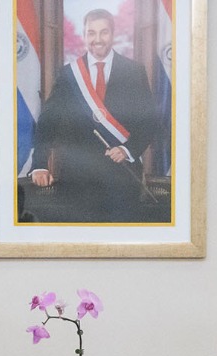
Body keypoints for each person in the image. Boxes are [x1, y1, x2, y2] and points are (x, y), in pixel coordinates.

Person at [29, 8, 158, 222]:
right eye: (91, 33)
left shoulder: (134, 71)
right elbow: (48, 122)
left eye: (103, 32)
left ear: (113, 34)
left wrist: (128, 149)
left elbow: (150, 121)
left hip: (122, 178)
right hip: (77, 180)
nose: (97, 39)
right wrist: (40, 164)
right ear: (84, 34)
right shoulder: (69, 74)